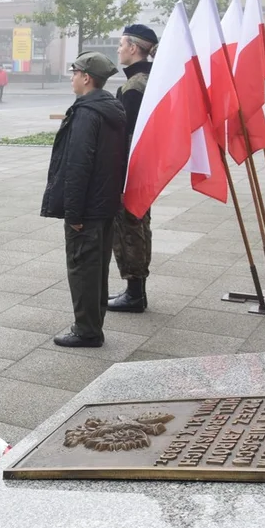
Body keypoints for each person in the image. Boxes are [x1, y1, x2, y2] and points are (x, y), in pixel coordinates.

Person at [41, 52, 126, 348]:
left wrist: (73, 213)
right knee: (96, 266)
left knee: (83, 267)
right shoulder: (110, 107)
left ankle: (87, 330)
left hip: (87, 207)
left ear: (87, 78)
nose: (72, 77)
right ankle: (92, 321)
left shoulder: (87, 113)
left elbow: (78, 166)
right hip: (104, 204)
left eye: (74, 72)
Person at [109, 24, 157, 313]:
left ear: (133, 48)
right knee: (140, 226)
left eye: (121, 44)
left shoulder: (134, 87)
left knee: (128, 227)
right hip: (145, 166)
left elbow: (126, 135)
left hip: (131, 167)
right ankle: (136, 289)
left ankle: (135, 293)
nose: (118, 49)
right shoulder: (150, 79)